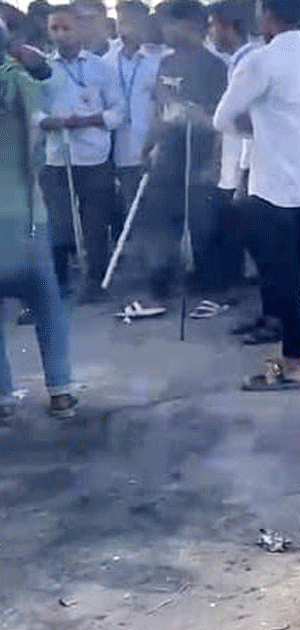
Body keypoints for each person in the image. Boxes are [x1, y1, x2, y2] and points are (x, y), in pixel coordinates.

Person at [214, 0, 300, 390]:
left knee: (283, 274)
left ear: (267, 17)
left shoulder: (261, 61)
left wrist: (256, 128)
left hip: (271, 182)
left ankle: (293, 362)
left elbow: (222, 117)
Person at [0, 15, 79, 421]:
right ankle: (60, 391)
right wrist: (34, 62)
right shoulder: (20, 82)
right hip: (26, 215)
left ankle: (2, 398)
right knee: (47, 303)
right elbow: (53, 92)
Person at [131, 0, 226, 312]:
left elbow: (222, 121)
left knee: (204, 224)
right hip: (168, 155)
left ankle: (210, 290)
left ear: (192, 25)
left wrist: (215, 161)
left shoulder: (214, 66)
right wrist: (148, 144)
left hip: (200, 155)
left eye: (171, 24)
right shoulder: (166, 63)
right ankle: (161, 286)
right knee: (160, 221)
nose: (165, 31)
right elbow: (160, 109)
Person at [37, 3, 124, 303]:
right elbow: (34, 112)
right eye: (54, 28)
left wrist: (88, 121)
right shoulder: (41, 69)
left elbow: (118, 112)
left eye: (66, 28)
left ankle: (94, 283)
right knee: (57, 223)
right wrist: (52, 122)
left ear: (80, 29)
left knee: (95, 225)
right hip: (57, 158)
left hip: (94, 158)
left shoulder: (102, 68)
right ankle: (57, 284)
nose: (60, 34)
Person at [208, 0, 262, 327]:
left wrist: (242, 172)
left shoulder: (250, 61)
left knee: (256, 237)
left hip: (248, 164)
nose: (211, 32)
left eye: (214, 25)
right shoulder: (237, 61)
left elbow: (245, 122)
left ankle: (270, 313)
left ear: (229, 27)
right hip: (235, 162)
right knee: (238, 231)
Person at [103, 1, 160, 220]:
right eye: (121, 20)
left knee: (152, 214)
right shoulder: (106, 61)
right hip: (116, 151)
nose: (125, 26)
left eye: (131, 20)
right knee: (127, 215)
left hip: (150, 150)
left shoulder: (157, 60)